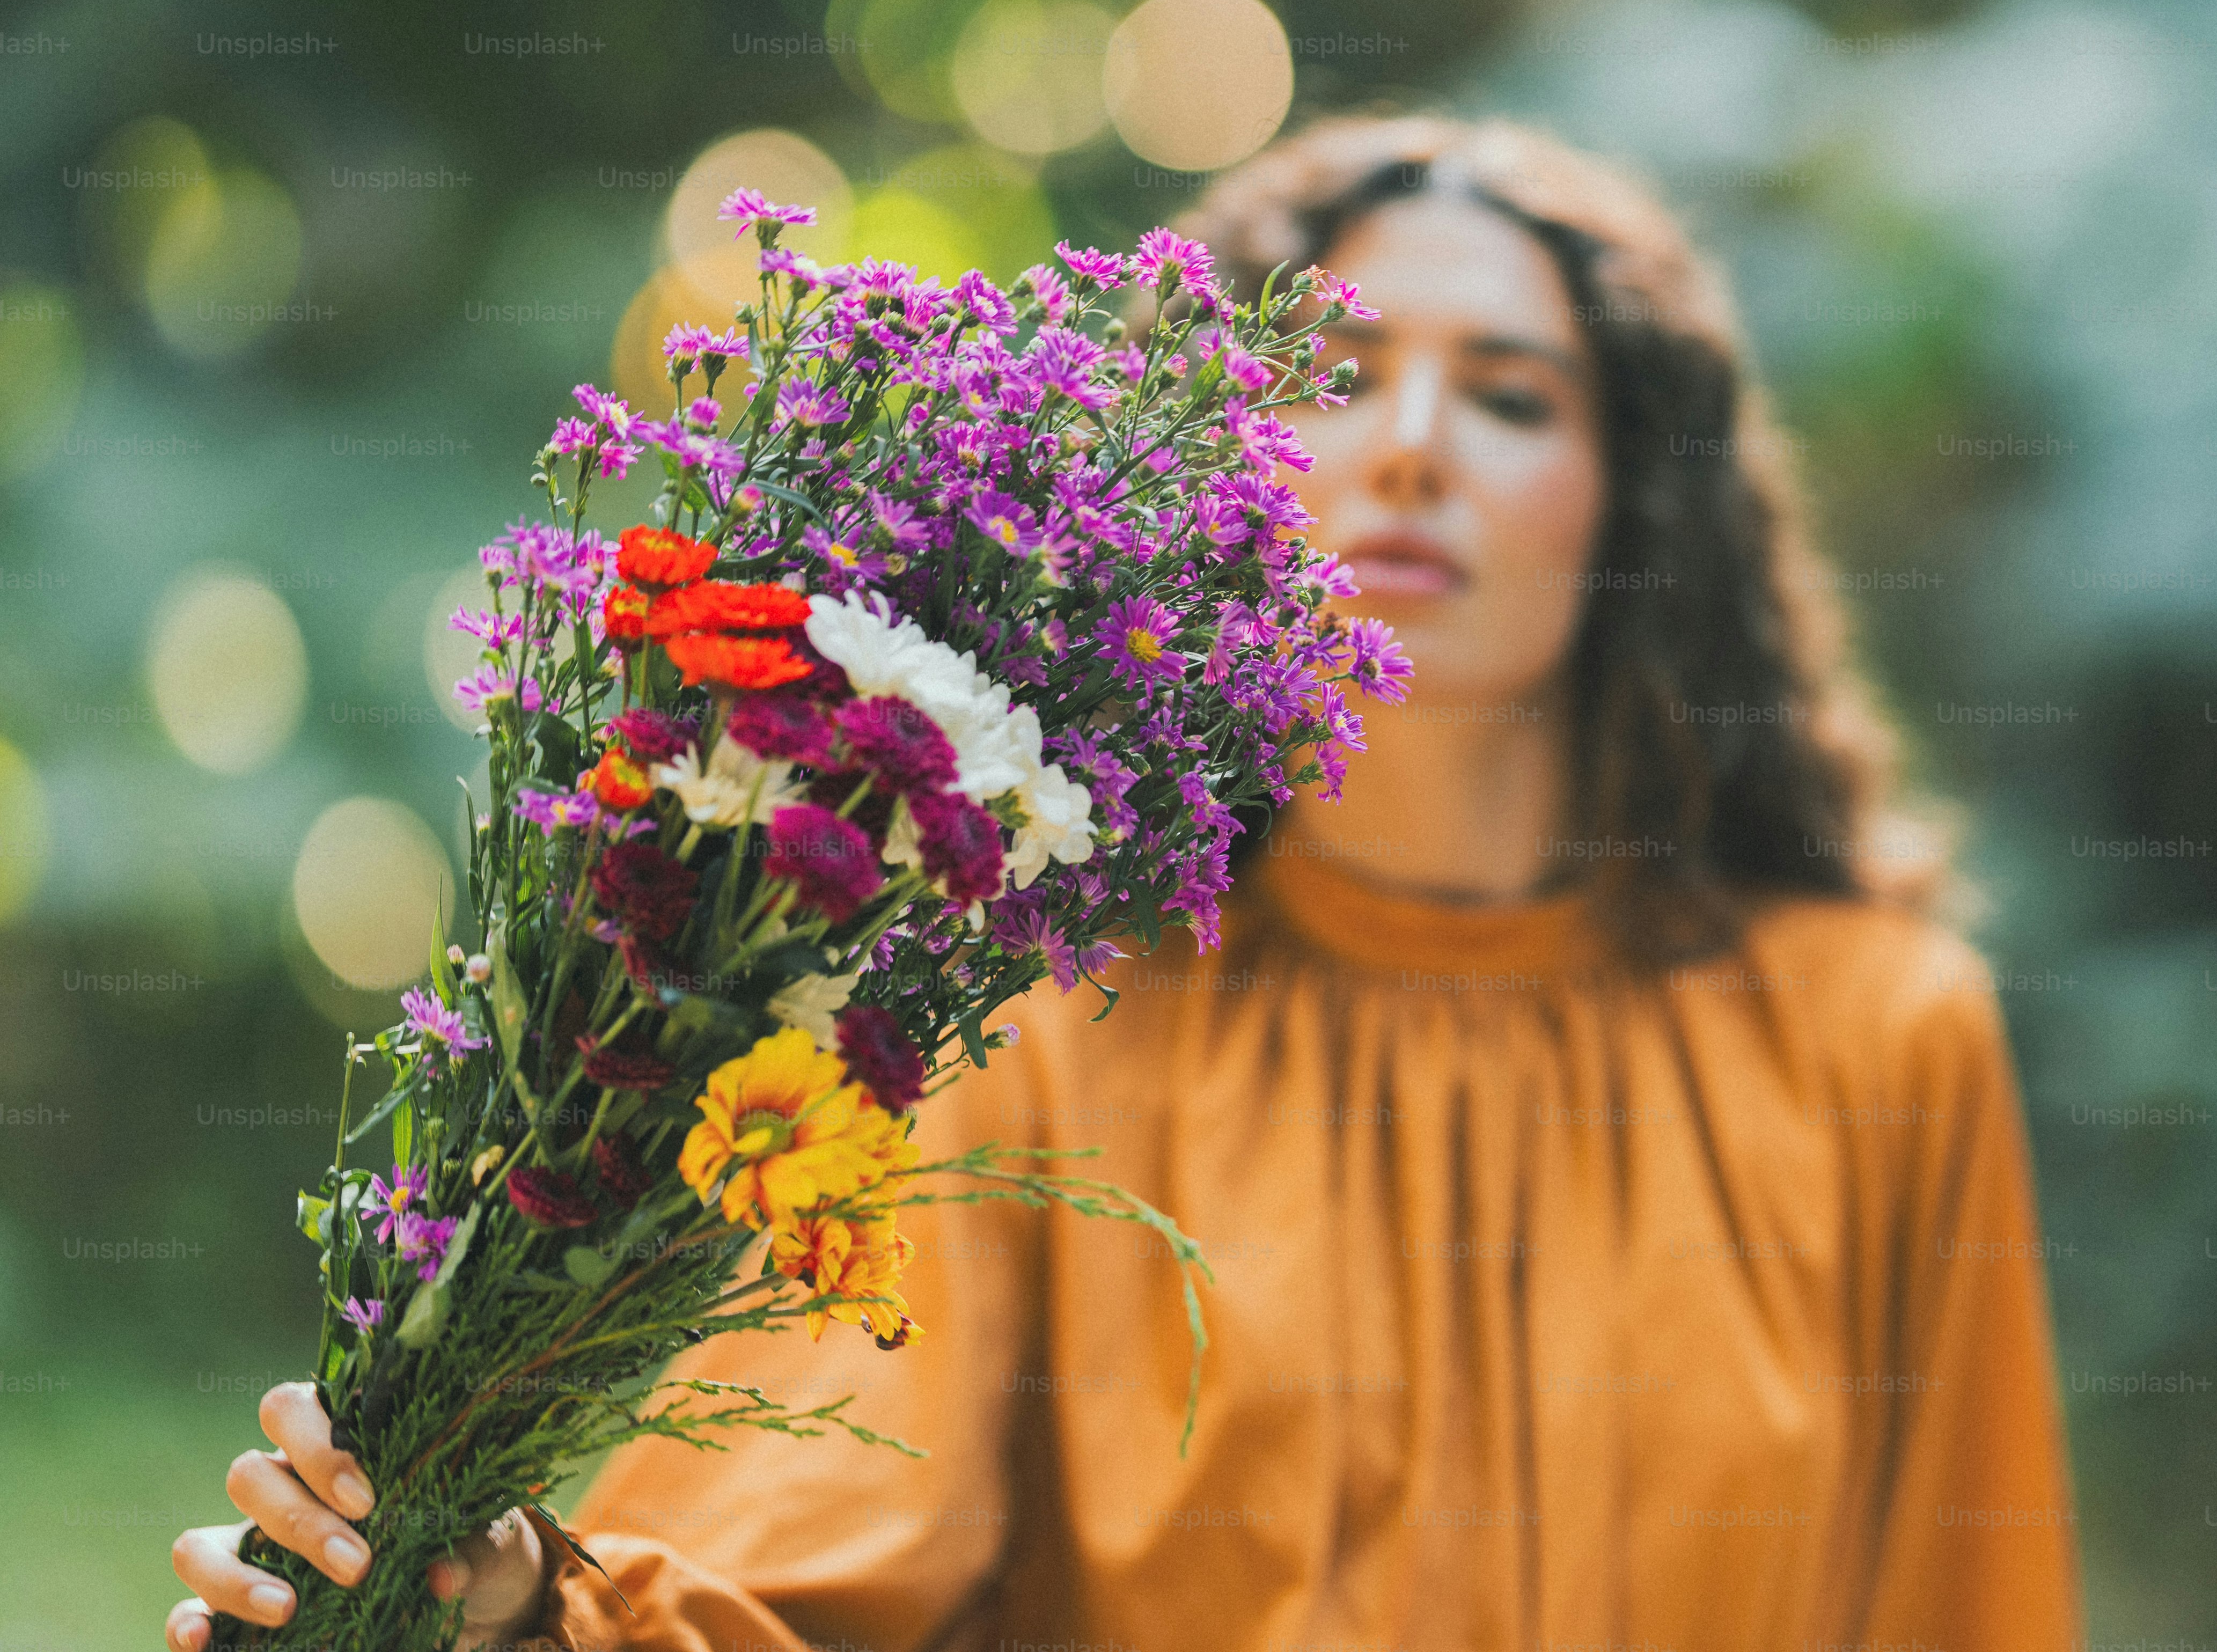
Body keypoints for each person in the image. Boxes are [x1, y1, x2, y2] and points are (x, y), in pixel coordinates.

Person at [169, 114, 2080, 1651]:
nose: (1413, 449)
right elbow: (806, 1586)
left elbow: (1970, 1604)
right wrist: (503, 1604)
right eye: (1342, 377)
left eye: (1510, 396)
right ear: (1224, 472)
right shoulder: (1030, 1021)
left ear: (1635, 501)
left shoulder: (1878, 1032)